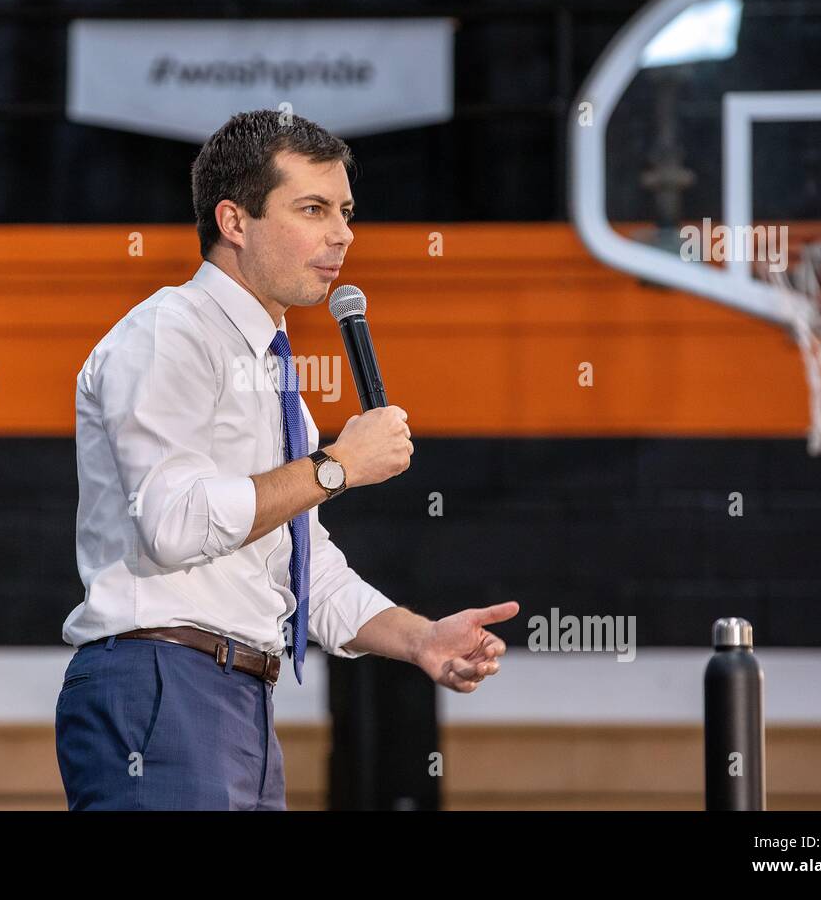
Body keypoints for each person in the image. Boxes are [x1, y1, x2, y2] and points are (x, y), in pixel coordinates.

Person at [55, 109, 520, 810]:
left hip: (240, 700)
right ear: (234, 222)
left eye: (346, 212)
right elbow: (172, 523)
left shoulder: (274, 377)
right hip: (162, 680)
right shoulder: (168, 333)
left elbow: (306, 568)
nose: (342, 234)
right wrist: (333, 468)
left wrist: (420, 639)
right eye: (313, 208)